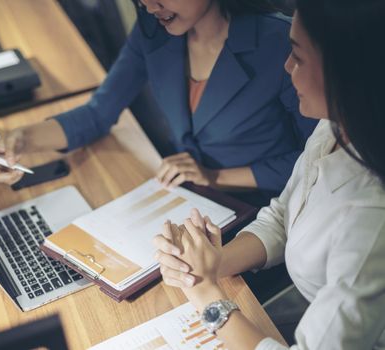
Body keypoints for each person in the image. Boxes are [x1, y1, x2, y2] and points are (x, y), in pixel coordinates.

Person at [153, 0, 385, 348]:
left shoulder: (370, 220)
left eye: (298, 56)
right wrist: (215, 262)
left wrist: (206, 296)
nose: (286, 66)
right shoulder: (336, 128)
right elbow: (282, 216)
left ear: (347, 72)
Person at [0, 0, 317, 206]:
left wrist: (215, 176)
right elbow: (99, 112)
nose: (149, 5)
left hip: (262, 208)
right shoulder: (154, 31)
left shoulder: (282, 44)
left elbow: (318, 162)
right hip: (187, 197)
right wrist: (22, 139)